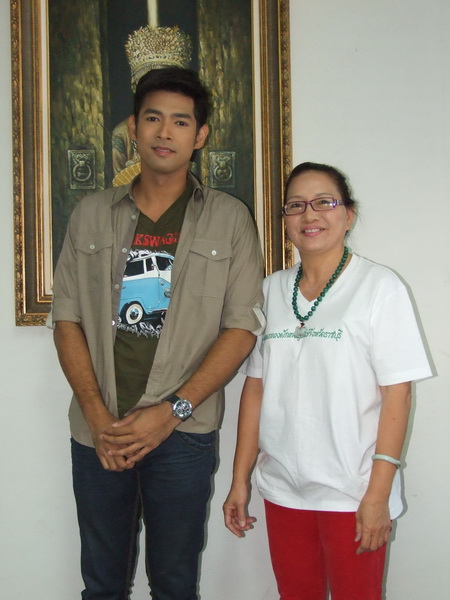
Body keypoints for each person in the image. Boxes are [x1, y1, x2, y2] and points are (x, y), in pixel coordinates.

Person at [49, 66, 265, 600]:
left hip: (183, 435)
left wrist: (172, 412)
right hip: (100, 431)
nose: (165, 132)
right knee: (102, 584)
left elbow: (241, 328)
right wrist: (97, 415)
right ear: (133, 127)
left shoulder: (230, 219)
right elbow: (67, 318)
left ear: (200, 135)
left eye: (181, 121)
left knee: (174, 584)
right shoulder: (91, 214)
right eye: (153, 118)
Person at [223, 162, 432, 600]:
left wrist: (378, 494)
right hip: (283, 489)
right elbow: (255, 390)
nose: (309, 215)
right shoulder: (271, 290)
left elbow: (398, 395)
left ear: (348, 215)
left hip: (353, 493)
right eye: (296, 205)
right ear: (285, 221)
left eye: (324, 202)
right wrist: (240, 479)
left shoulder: (379, 287)